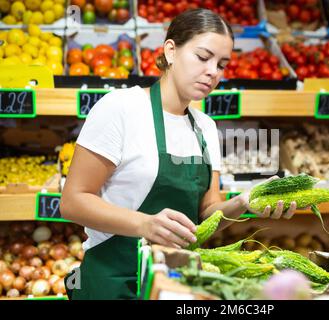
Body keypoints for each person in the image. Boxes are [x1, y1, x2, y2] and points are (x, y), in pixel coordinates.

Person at [60, 8, 298, 300]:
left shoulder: (206, 128)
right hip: (111, 281)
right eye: (203, 57)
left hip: (173, 285)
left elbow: (206, 216)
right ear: (171, 51)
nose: (213, 71)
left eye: (222, 64)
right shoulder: (121, 109)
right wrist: (143, 224)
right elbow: (72, 201)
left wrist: (244, 202)